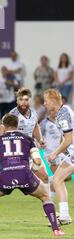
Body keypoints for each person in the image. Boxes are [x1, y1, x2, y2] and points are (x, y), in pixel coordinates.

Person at [0, 114, 64, 237]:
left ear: (3, 126)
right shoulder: (27, 139)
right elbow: (37, 161)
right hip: (25, 175)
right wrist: (30, 170)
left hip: (5, 176)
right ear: (17, 125)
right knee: (45, 196)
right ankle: (56, 230)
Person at [2, 88, 49, 191]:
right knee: (8, 184)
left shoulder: (34, 113)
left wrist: (40, 139)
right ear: (17, 101)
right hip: (17, 154)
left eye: (26, 99)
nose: (23, 102)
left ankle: (48, 200)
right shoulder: (12, 115)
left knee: (45, 177)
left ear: (30, 100)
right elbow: (3, 129)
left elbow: (35, 126)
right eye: (21, 99)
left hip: (30, 150)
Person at [44, 88, 74, 225]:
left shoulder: (63, 115)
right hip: (72, 153)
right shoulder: (64, 111)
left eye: (46, 101)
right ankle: (64, 215)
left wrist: (55, 153)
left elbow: (68, 139)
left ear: (53, 101)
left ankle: (65, 215)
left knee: (57, 180)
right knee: (57, 180)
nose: (44, 104)